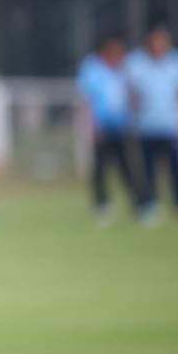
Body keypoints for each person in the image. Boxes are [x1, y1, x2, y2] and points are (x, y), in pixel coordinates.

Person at [125, 23, 178, 222]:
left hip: (170, 125)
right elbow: (129, 89)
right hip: (145, 126)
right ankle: (149, 205)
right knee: (147, 169)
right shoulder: (136, 62)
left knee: (176, 169)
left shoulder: (177, 61)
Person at [76, 35, 139, 223]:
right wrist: (92, 126)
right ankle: (102, 206)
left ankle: (140, 204)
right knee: (100, 169)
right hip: (101, 128)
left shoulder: (125, 68)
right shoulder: (92, 69)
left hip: (122, 127)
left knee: (128, 168)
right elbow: (86, 99)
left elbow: (133, 94)